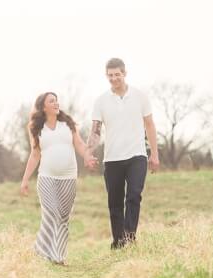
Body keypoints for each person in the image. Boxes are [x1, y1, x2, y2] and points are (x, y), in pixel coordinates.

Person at [87, 58, 160, 249]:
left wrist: (154, 154)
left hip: (137, 155)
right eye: (110, 75)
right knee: (115, 202)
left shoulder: (140, 96)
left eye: (117, 74)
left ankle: (129, 237)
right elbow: (95, 130)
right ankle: (118, 242)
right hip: (112, 158)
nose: (114, 78)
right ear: (106, 76)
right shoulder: (101, 101)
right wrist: (89, 152)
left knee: (134, 196)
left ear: (124, 73)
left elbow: (150, 125)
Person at [21, 93, 96, 265]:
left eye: (56, 100)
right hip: (47, 177)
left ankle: (56, 255)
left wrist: (88, 157)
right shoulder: (35, 127)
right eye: (51, 101)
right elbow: (34, 154)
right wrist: (25, 180)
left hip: (68, 178)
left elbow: (79, 144)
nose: (56, 103)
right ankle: (46, 253)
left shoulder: (67, 124)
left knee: (63, 217)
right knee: (51, 213)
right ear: (43, 106)